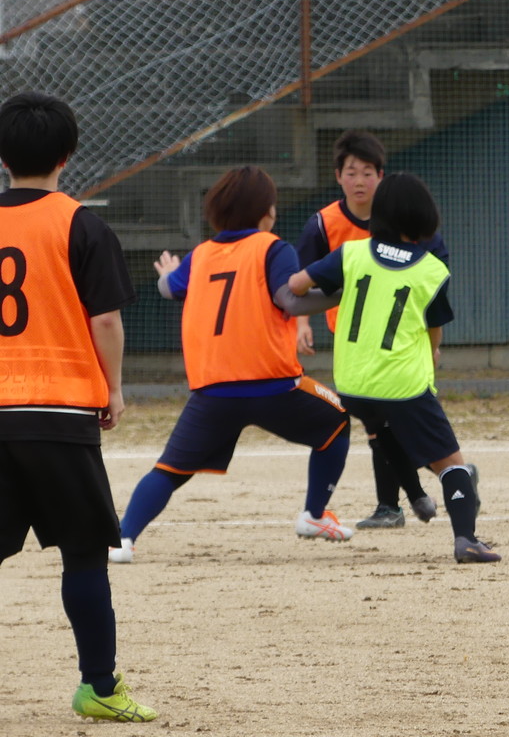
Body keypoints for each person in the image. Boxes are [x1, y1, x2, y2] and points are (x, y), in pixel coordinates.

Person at [0, 92, 156, 721]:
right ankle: (98, 687)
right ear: (68, 155)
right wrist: (112, 388)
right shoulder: (81, 223)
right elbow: (109, 321)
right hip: (61, 412)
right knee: (85, 554)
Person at [109, 165, 353, 563]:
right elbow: (290, 300)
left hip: (212, 392)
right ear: (266, 212)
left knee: (169, 470)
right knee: (338, 419)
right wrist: (343, 294)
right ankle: (312, 515)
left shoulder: (201, 254)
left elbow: (167, 288)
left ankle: (122, 540)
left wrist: (171, 272)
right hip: (275, 386)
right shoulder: (273, 247)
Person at [289, 173, 498, 564]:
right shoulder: (432, 270)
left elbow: (297, 285)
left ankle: (416, 496)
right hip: (402, 382)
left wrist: (332, 289)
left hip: (351, 382)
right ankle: (466, 539)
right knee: (453, 465)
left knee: (383, 428)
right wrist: (433, 355)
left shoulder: (351, 254)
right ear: (424, 218)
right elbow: (434, 332)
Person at [296, 130, 456, 530]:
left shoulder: (413, 225)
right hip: (353, 342)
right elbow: (303, 279)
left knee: (392, 425)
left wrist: (433, 344)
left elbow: (435, 282)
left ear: (381, 177)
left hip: (401, 343)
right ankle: (409, 498)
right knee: (379, 425)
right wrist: (302, 322)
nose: (360, 180)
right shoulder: (324, 223)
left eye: (368, 172)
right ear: (339, 177)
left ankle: (440, 485)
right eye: (352, 172)